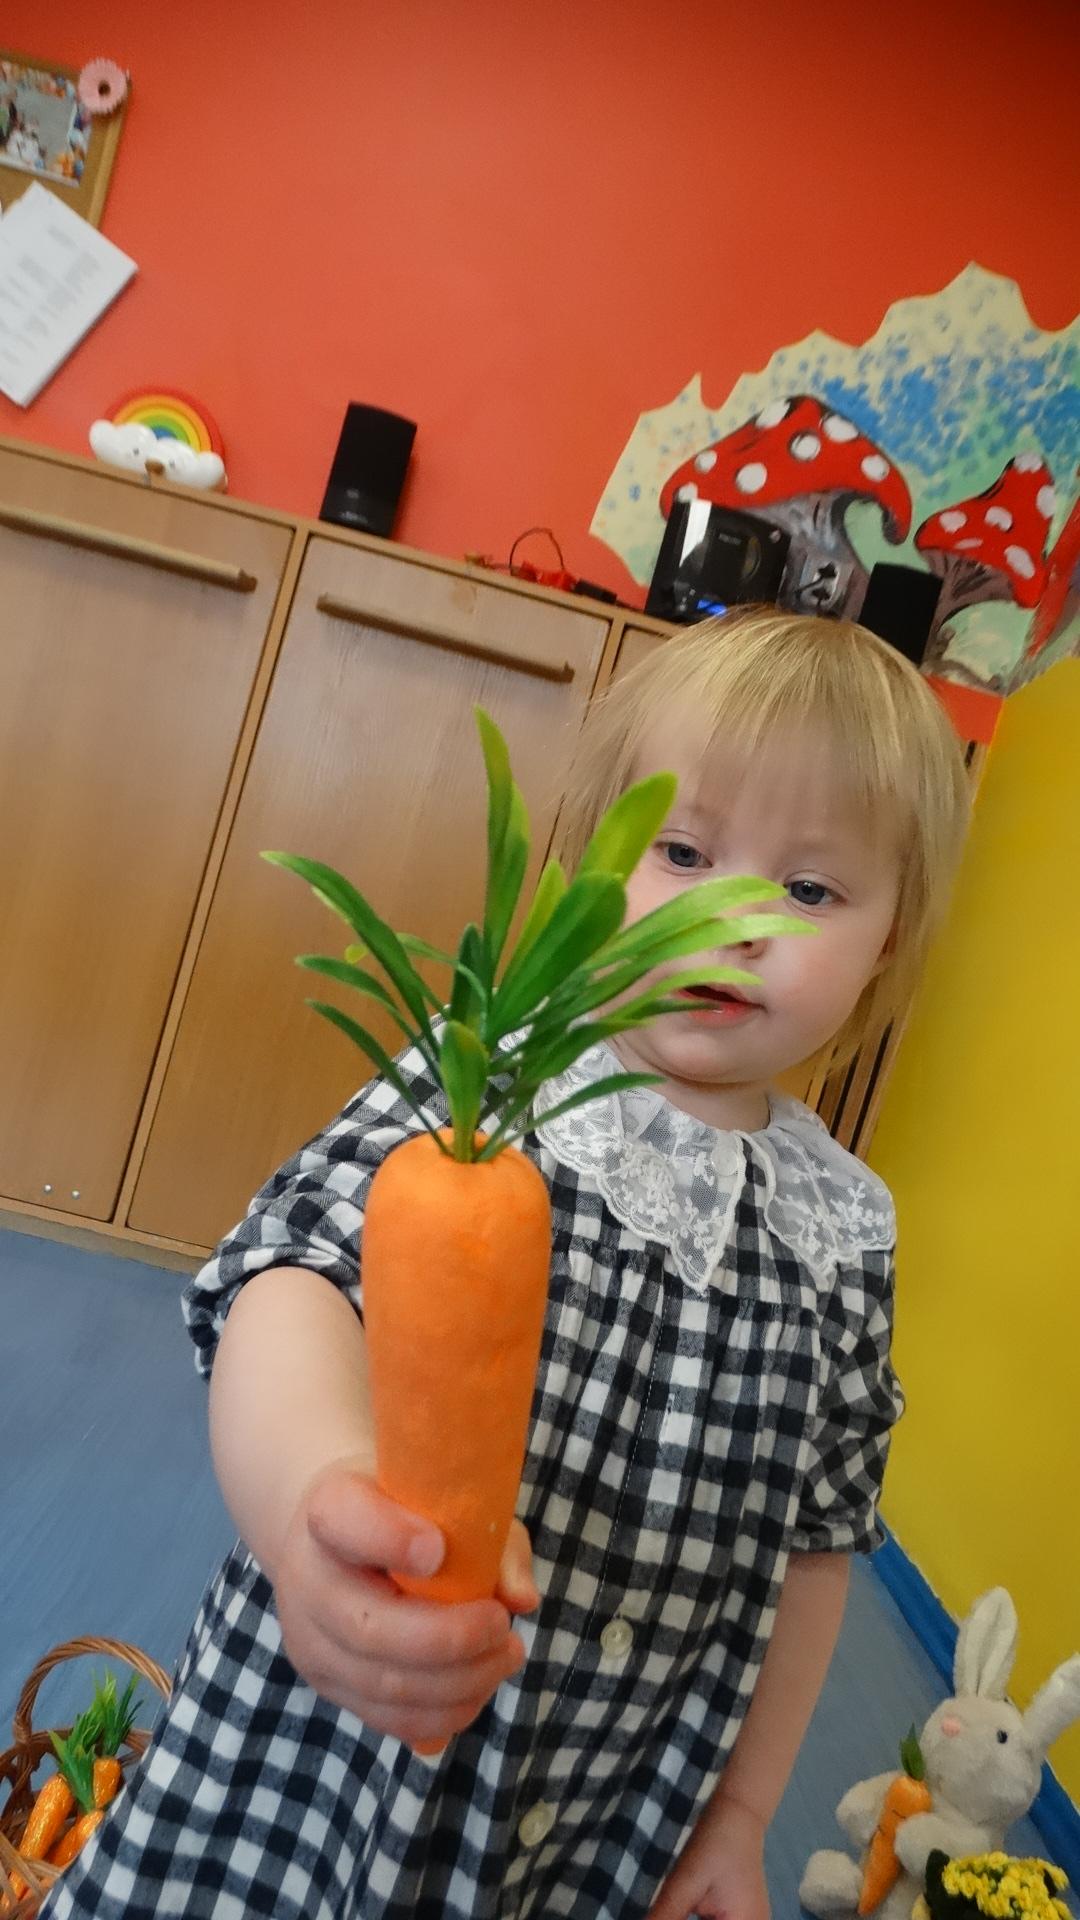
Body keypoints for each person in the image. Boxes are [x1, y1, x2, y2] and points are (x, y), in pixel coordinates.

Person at [41, 608, 971, 1920]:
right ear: (590, 867)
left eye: (810, 890)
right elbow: (289, 1278)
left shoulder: (847, 1231)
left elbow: (819, 1544)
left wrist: (741, 1813)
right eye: (683, 851)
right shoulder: (486, 1081)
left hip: (589, 1812)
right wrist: (309, 1499)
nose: (731, 920)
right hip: (329, 1740)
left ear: (891, 937)